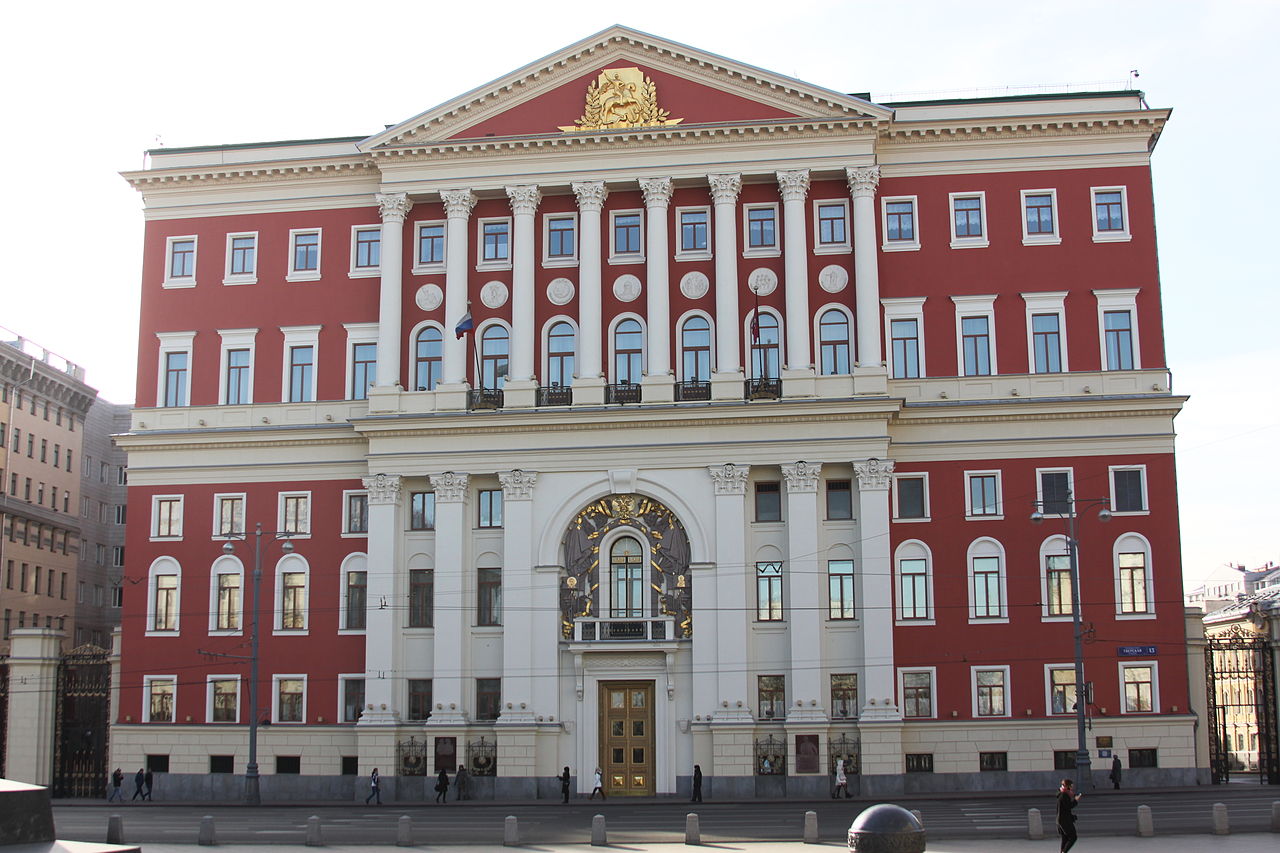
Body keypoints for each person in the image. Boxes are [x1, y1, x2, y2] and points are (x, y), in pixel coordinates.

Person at [1056, 778, 1082, 853]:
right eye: (1071, 786)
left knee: (1065, 837)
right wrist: (1076, 800)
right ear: (1067, 786)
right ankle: (1064, 851)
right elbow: (1069, 806)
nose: (1072, 788)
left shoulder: (1061, 793)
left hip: (1060, 819)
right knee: (1073, 837)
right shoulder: (1064, 795)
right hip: (1064, 820)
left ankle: (1062, 851)